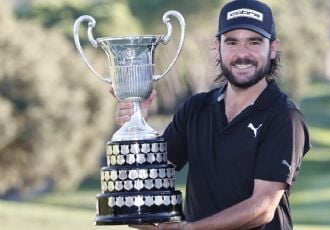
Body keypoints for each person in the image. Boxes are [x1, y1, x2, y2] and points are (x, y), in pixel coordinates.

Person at [115, 0, 310, 229]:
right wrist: (137, 129)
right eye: (232, 42)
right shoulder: (195, 109)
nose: (242, 54)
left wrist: (191, 229)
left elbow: (263, 208)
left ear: (273, 48)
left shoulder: (284, 116)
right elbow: (148, 181)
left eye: (254, 42)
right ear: (218, 46)